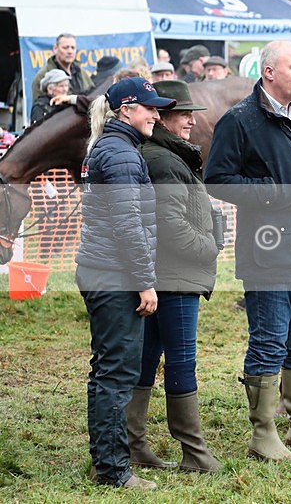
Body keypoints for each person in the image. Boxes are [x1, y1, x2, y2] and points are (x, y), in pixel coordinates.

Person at [203, 40, 291, 461]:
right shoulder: (240, 121)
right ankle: (263, 434)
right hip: (269, 256)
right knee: (269, 342)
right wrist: (271, 192)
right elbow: (217, 179)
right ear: (269, 72)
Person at [75, 77, 176, 489]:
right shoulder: (120, 155)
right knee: (115, 373)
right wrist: (145, 282)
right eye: (150, 108)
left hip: (105, 271)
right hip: (114, 275)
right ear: (126, 110)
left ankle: (108, 462)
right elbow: (128, 227)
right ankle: (114, 470)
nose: (157, 114)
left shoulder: (117, 149)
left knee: (108, 370)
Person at [130, 79, 220, 474]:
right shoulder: (164, 160)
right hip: (176, 277)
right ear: (163, 117)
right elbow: (171, 226)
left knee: (148, 357)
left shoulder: (168, 156)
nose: (190, 121)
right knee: (181, 361)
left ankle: (134, 445)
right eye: (184, 114)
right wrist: (211, 246)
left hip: (167, 275)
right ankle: (194, 452)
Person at [31, 32, 94, 101]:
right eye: (65, 48)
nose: (70, 51)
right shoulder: (43, 76)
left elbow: (93, 96)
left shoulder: (81, 73)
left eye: (73, 48)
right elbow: (38, 107)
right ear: (55, 48)